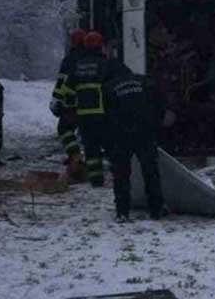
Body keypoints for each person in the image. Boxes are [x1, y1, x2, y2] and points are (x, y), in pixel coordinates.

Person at [102, 64, 168, 221]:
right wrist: (155, 124)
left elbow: (106, 115)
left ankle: (122, 212)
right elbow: (159, 103)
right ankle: (156, 209)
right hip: (144, 131)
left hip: (121, 134)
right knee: (150, 171)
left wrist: (108, 139)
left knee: (121, 174)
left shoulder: (108, 87)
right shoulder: (144, 81)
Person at [67, 32, 115, 187]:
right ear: (101, 46)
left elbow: (69, 88)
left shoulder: (78, 64)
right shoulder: (105, 64)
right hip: (102, 112)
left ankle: (96, 179)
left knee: (91, 147)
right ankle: (119, 175)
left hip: (83, 114)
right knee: (110, 144)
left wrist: (68, 109)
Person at [51, 29, 87, 178]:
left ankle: (75, 155)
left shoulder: (69, 60)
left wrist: (56, 99)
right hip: (91, 104)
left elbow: (62, 81)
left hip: (71, 104)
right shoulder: (91, 58)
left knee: (64, 129)